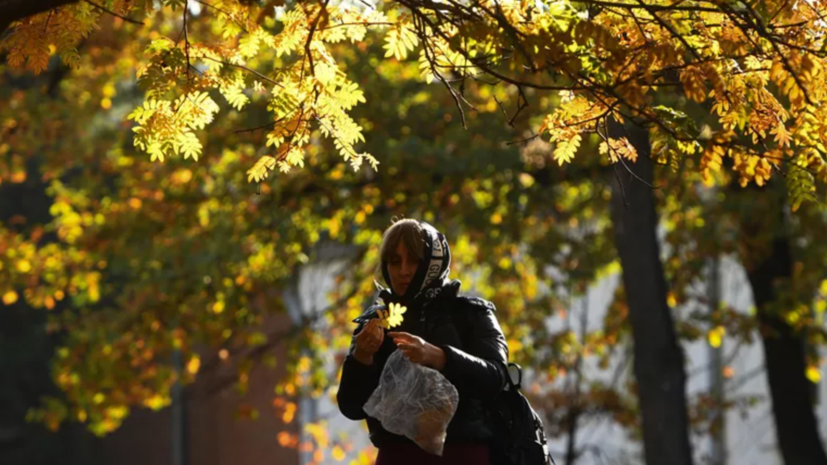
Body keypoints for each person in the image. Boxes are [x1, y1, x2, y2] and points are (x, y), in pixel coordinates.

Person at [337, 219, 509, 465]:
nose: (404, 271)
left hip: (463, 455)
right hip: (396, 456)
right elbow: (351, 407)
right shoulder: (375, 322)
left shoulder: (472, 314)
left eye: (414, 260)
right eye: (395, 262)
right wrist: (361, 358)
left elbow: (495, 377)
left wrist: (438, 356)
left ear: (434, 262)